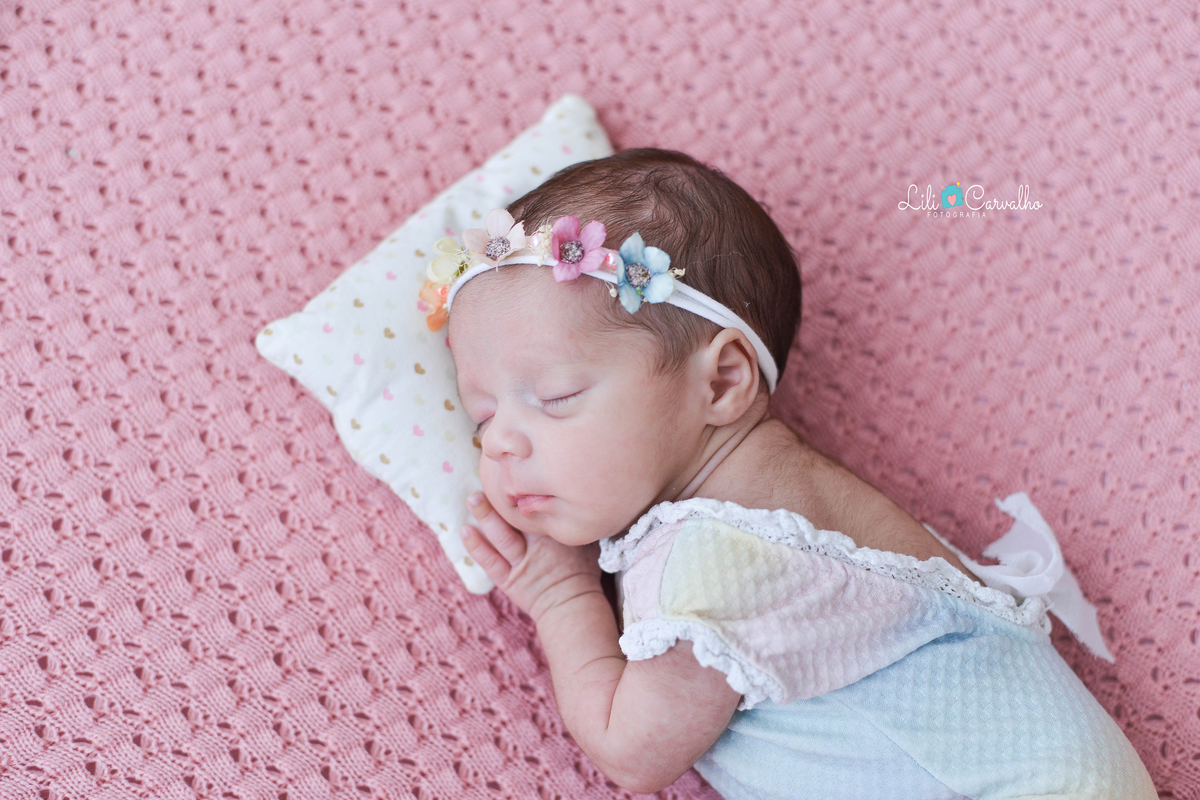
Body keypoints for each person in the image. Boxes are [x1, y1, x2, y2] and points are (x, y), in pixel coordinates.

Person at [429, 149, 1156, 799]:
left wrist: (559, 594)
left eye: (554, 398)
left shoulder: (723, 558)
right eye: (483, 420)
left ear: (720, 384)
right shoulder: (787, 501)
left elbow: (632, 751)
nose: (499, 447)